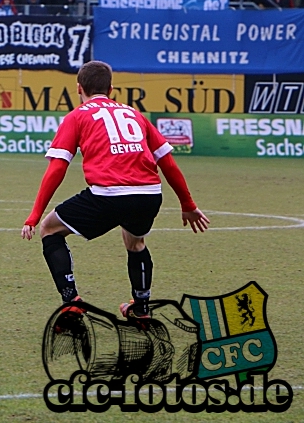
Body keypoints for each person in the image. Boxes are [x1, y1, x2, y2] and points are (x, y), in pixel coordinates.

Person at [20, 61, 210, 318]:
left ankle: (72, 301)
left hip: (108, 195)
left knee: (50, 229)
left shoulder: (77, 116)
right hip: (149, 194)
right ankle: (141, 309)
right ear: (111, 88)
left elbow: (57, 168)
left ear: (79, 88)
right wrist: (187, 204)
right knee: (135, 241)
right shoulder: (135, 114)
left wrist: (34, 215)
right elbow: (167, 162)